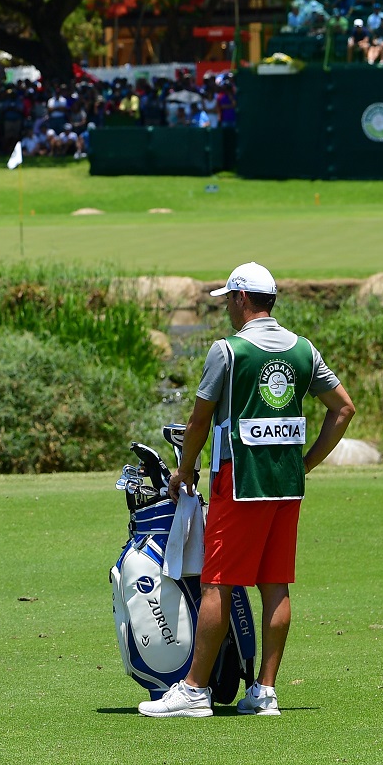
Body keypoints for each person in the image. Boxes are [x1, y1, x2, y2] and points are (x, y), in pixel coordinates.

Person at [138, 262, 355, 719]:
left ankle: (194, 690)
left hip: (239, 482)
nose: (227, 310)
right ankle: (265, 692)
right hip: (286, 486)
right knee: (275, 585)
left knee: (217, 582)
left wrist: (183, 470)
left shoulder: (228, 351)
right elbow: (343, 409)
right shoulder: (304, 349)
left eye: (228, 301)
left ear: (240, 298)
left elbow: (199, 420)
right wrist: (306, 463)